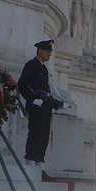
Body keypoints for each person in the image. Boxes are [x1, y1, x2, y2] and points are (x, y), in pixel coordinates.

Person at [18, 39, 64, 167]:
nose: (50, 54)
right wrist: (32, 99)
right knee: (35, 133)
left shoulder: (43, 68)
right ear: (40, 50)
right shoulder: (31, 65)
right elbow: (22, 85)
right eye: (48, 51)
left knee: (44, 135)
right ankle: (31, 159)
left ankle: (39, 160)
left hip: (45, 107)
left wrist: (56, 104)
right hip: (36, 106)